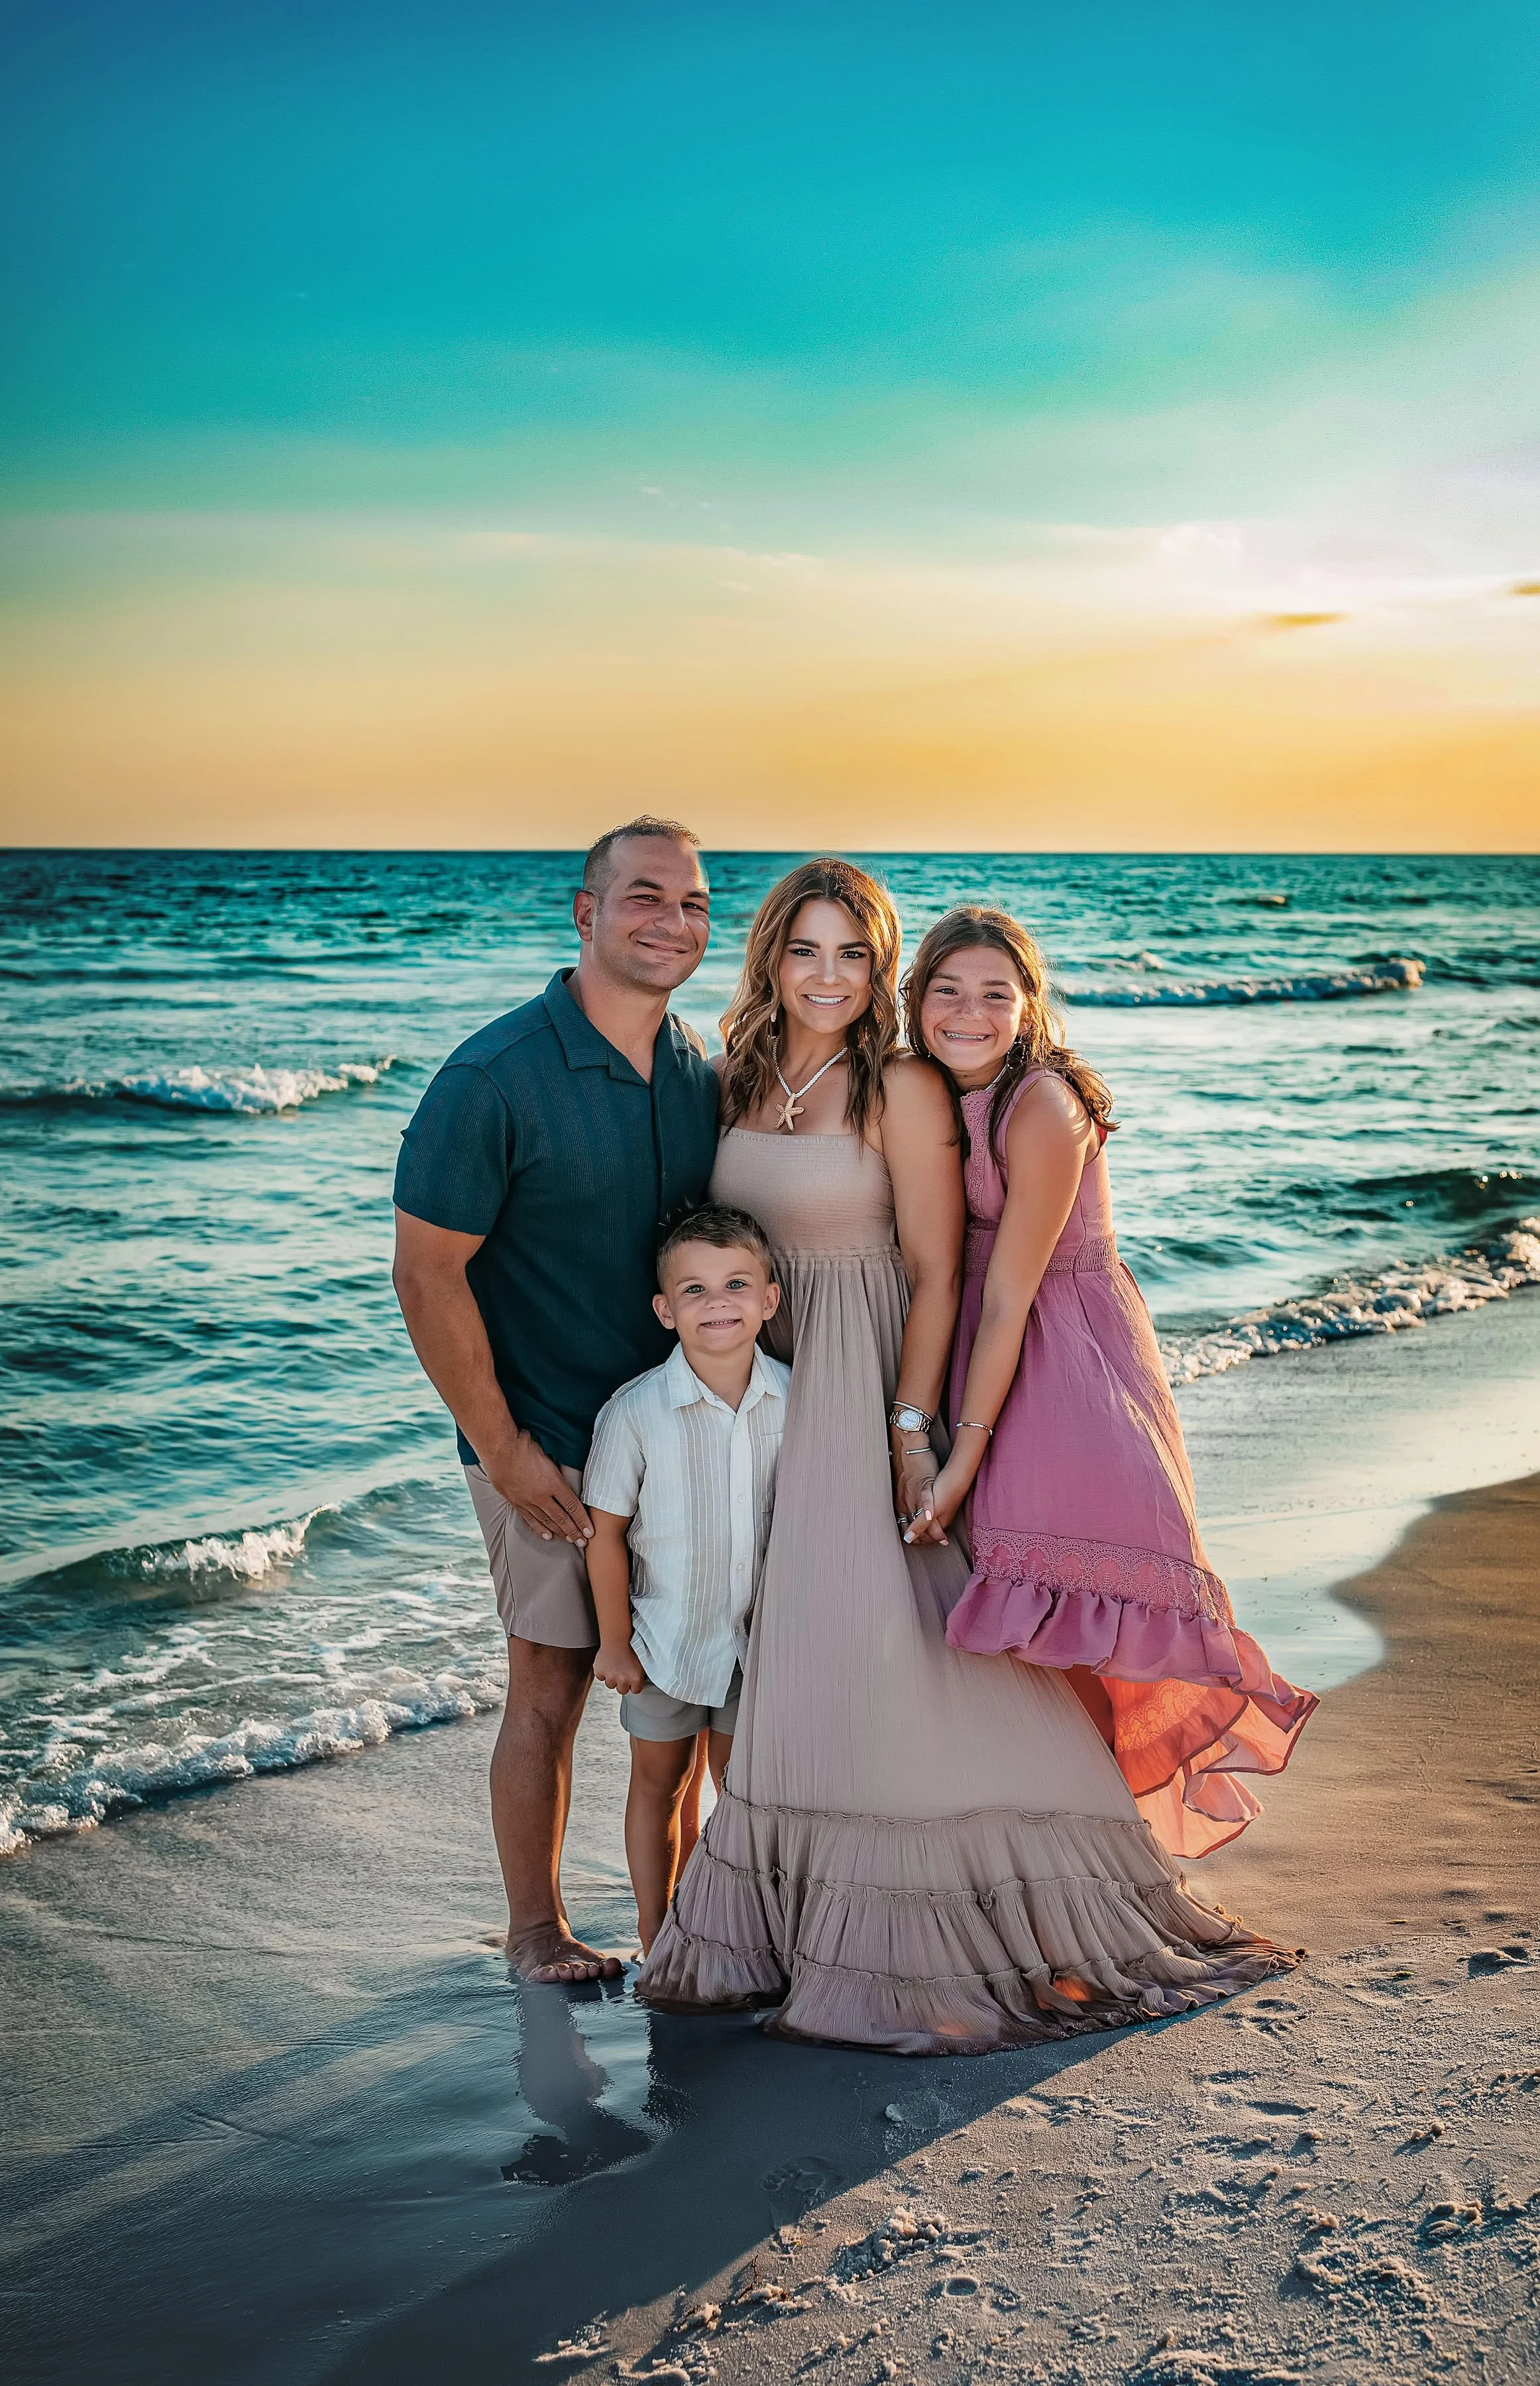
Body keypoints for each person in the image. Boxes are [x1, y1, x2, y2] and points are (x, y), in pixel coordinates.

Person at [639, 859, 1299, 2054]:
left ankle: (974, 1908)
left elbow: (946, 1275)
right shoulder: (734, 1074)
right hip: (765, 1385)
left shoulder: (899, 1085)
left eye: (851, 953)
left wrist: (908, 1426)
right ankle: (789, 1921)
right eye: (804, 951)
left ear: (876, 967)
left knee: (883, 1639)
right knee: (797, 1650)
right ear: (769, 960)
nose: (826, 976)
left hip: (861, 1375)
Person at [903, 903, 1317, 1858]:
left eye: (994, 996)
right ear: (916, 998)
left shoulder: (1041, 1103)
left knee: (1075, 1629)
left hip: (1064, 1368)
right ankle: (1068, 1847)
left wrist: (956, 1453)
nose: (968, 1012)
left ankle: (1107, 1862)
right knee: (1033, 1638)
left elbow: (1010, 1297)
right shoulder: (928, 1089)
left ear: (1030, 1006)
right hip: (988, 1356)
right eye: (947, 990)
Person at [391, 818, 719, 1984]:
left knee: (693, 1678)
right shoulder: (492, 1076)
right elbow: (425, 1272)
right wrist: (503, 1449)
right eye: (643, 897)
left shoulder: (698, 1075)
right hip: (549, 1445)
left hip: (682, 1445)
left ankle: (685, 1921)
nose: (670, 923)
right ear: (583, 914)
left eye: (690, 903)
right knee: (550, 1681)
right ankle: (535, 1931)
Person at [584, 1204, 789, 1952]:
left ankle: (736, 1930)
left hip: (757, 1648)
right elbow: (604, 1536)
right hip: (665, 1644)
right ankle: (655, 1933)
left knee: (740, 1797)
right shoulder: (636, 1413)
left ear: (769, 1299)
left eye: (736, 1283)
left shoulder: (796, 1400)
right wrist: (614, 1644)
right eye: (694, 1290)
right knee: (659, 1788)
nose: (718, 1303)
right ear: (664, 1310)